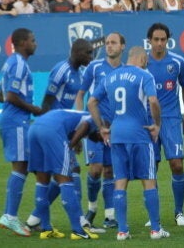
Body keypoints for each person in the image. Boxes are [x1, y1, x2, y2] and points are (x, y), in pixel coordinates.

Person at [87, 45, 169, 241]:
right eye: (146, 61)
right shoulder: (144, 76)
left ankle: (122, 230)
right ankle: (156, 229)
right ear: (141, 59)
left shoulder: (110, 77)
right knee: (148, 180)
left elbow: (91, 102)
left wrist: (101, 127)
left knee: (120, 182)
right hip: (139, 133)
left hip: (117, 133)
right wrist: (157, 125)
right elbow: (154, 102)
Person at [25, 39, 94, 233]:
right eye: (88, 53)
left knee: (61, 173)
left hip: (63, 127)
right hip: (51, 128)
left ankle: (36, 218)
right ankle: (79, 221)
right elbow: (47, 100)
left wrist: (74, 133)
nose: (91, 56)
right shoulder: (61, 70)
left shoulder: (79, 74)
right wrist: (47, 130)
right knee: (71, 171)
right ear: (78, 52)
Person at [74, 33, 126, 230]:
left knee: (110, 170)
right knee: (95, 170)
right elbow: (81, 95)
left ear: (122, 46)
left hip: (116, 130)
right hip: (94, 128)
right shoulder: (94, 67)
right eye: (107, 43)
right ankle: (92, 208)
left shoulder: (126, 71)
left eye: (113, 43)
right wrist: (80, 121)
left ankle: (110, 215)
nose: (109, 46)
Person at [27, 108, 101, 240]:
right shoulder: (96, 119)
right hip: (52, 130)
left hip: (34, 129)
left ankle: (46, 229)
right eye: (104, 136)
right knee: (65, 178)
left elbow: (77, 128)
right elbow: (85, 126)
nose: (103, 140)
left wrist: (75, 139)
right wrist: (71, 145)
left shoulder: (77, 115)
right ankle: (78, 230)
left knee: (42, 181)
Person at [0, 28, 42, 237]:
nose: (36, 43)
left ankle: (26, 216)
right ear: (23, 42)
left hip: (13, 120)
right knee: (21, 166)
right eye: (33, 40)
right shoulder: (19, 65)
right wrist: (35, 110)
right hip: (16, 121)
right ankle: (10, 216)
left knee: (28, 166)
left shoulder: (10, 62)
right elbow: (10, 97)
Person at [146, 22, 184, 226]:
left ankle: (179, 212)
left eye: (163, 39)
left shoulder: (178, 61)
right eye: (156, 39)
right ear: (149, 41)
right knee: (150, 168)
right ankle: (153, 215)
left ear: (167, 40)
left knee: (177, 164)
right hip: (147, 121)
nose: (159, 43)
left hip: (172, 119)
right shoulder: (141, 62)